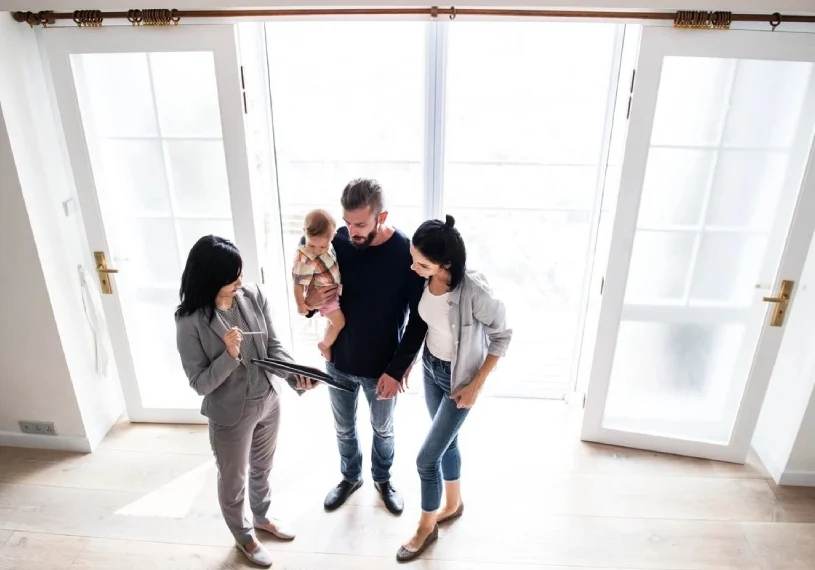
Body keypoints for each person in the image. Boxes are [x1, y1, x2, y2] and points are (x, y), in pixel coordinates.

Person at [175, 235, 316, 568]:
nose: (240, 280)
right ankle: (243, 535)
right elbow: (199, 383)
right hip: (230, 414)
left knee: (263, 468)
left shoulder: (252, 295)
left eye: (240, 272)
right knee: (233, 478)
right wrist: (229, 354)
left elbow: (274, 348)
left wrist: (296, 376)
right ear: (210, 278)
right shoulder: (190, 322)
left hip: (268, 398)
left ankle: (263, 516)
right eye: (232, 276)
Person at [302, 178, 426, 515]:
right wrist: (310, 302)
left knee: (382, 428)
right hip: (339, 360)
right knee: (343, 426)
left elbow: (419, 320)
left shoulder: (405, 252)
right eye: (347, 222)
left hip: (382, 367)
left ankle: (383, 479)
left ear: (381, 216)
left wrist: (397, 370)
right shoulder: (336, 241)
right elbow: (310, 282)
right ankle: (350, 476)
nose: (351, 231)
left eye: (360, 224)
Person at [396, 215, 512, 563]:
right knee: (447, 444)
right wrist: (410, 362)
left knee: (426, 459)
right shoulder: (424, 279)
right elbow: (425, 325)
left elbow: (502, 336)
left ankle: (425, 527)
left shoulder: (474, 292)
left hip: (459, 379)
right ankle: (453, 504)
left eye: (422, 262)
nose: (414, 267)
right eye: (413, 258)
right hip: (432, 368)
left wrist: (476, 385)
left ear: (446, 263)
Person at [292, 209, 345, 361]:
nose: (316, 251)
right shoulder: (304, 257)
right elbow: (298, 283)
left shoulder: (330, 244)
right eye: (311, 245)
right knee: (339, 322)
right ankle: (324, 345)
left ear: (332, 237)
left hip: (332, 293)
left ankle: (326, 342)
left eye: (322, 247)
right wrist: (301, 304)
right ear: (304, 233)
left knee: (333, 322)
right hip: (325, 296)